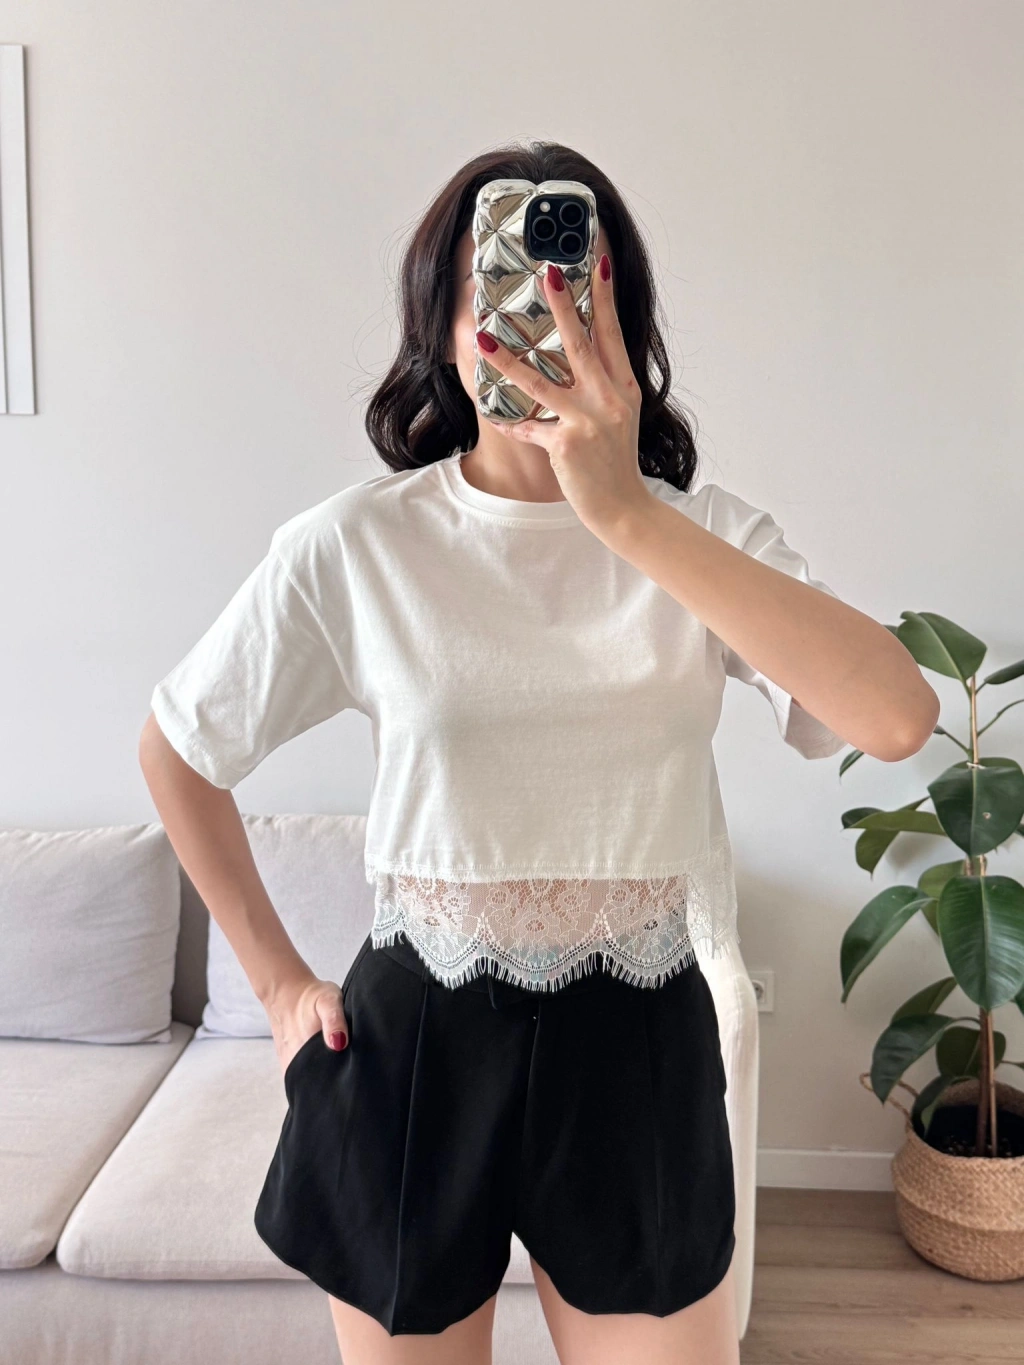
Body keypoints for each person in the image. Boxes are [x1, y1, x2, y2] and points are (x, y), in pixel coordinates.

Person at [139, 139, 939, 1365]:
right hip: (414, 1040)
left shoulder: (707, 540)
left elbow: (894, 718)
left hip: (639, 1039)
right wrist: (280, 986)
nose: (536, 314)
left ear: (623, 319)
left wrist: (621, 514)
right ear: (445, 326)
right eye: (499, 285)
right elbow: (179, 749)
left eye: (573, 281)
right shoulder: (358, 545)